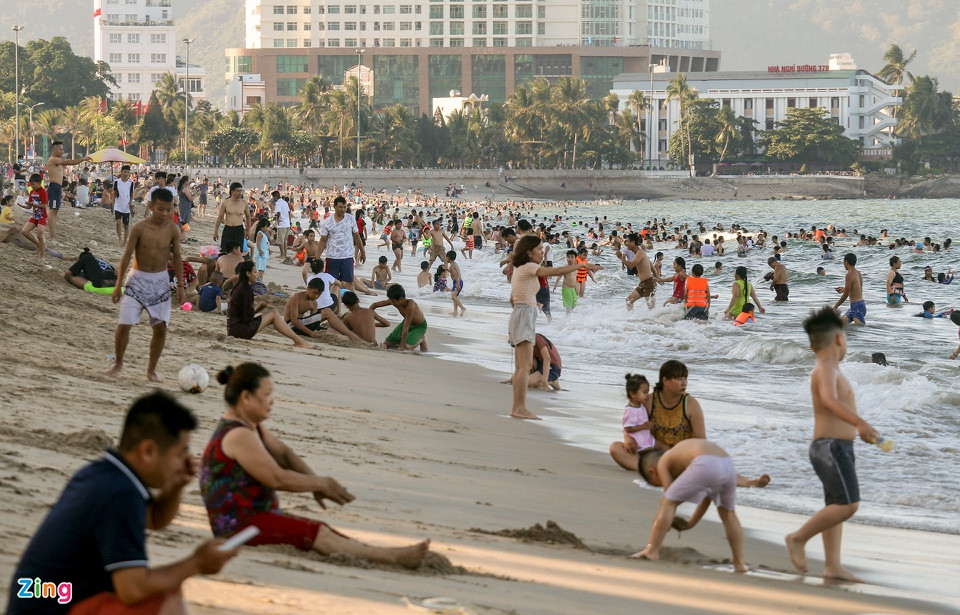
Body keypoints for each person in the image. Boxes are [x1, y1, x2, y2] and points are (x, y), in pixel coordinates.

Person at [6, 392, 238, 615]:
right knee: (165, 607)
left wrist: (174, 486)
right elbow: (132, 590)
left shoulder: (105, 473)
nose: (185, 461)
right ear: (147, 451)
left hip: (44, 597)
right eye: (180, 454)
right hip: (52, 607)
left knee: (167, 585)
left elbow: (154, 519)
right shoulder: (120, 493)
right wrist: (197, 562)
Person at [199, 363, 430, 568]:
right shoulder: (238, 435)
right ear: (246, 397)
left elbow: (285, 455)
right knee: (317, 533)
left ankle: (382, 553)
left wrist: (315, 484)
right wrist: (320, 483)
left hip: (255, 518)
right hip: (239, 530)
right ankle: (393, 558)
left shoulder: (249, 425)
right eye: (267, 394)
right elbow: (276, 478)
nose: (272, 401)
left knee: (320, 528)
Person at [785, 307, 880, 581]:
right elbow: (829, 400)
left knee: (835, 505)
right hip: (831, 447)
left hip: (836, 447)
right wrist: (860, 423)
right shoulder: (825, 368)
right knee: (849, 505)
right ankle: (798, 538)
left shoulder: (831, 368)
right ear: (840, 339)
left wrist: (857, 428)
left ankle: (832, 565)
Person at [508, 235, 601, 420]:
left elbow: (512, 298)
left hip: (519, 314)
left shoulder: (520, 269)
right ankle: (519, 408)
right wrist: (581, 265)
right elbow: (556, 271)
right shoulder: (530, 267)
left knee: (521, 366)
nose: (543, 252)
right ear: (529, 252)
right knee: (524, 367)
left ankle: (517, 407)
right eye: (539, 249)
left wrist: (523, 311)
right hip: (524, 314)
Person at [632, 440, 748, 573]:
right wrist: (690, 523)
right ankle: (739, 563)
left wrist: (659, 520)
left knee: (667, 502)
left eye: (656, 484)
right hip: (728, 464)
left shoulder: (663, 461)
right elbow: (708, 497)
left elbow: (669, 499)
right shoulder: (684, 457)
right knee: (728, 514)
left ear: (653, 472)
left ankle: (651, 551)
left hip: (706, 462)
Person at [107, 190, 184, 382]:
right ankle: (118, 362)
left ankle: (151, 370)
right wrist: (118, 285)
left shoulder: (173, 230)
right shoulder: (139, 228)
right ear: (150, 206)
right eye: (160, 209)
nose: (165, 214)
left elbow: (178, 258)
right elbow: (126, 256)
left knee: (160, 328)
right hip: (136, 280)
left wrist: (181, 286)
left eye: (169, 209)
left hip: (160, 282)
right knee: (124, 325)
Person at [228, 260, 309, 348]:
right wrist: (259, 308)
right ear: (248, 273)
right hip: (241, 331)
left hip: (232, 329)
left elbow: (243, 313)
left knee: (272, 315)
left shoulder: (238, 286)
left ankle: (299, 340)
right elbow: (247, 318)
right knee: (274, 314)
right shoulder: (247, 289)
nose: (257, 275)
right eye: (255, 272)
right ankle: (299, 341)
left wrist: (259, 308)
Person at [283, 277, 365, 343]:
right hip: (291, 325)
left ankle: (358, 340)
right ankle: (355, 337)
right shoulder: (296, 297)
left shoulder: (314, 303)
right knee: (327, 312)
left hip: (302, 325)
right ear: (308, 288)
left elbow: (313, 322)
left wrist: (319, 330)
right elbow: (294, 321)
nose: (316, 296)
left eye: (319, 294)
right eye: (315, 293)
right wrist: (310, 333)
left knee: (332, 331)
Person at [44, 140, 91, 240]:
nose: (62, 151)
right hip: (54, 187)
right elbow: (69, 162)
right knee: (52, 211)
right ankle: (52, 236)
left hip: (57, 187)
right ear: (54, 149)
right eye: (60, 149)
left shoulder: (57, 160)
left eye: (63, 149)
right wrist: (83, 159)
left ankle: (53, 234)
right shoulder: (53, 160)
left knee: (55, 211)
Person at [318, 195, 365, 292]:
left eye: (344, 207)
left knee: (349, 282)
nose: (342, 210)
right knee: (331, 282)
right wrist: (317, 257)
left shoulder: (351, 219)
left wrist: (363, 252)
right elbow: (323, 240)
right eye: (340, 207)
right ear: (334, 207)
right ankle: (332, 302)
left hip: (347, 256)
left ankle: (353, 304)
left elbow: (357, 236)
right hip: (332, 257)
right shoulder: (327, 222)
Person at [609, 373, 654, 470]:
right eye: (644, 392)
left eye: (647, 392)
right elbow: (628, 428)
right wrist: (644, 426)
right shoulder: (630, 410)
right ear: (633, 393)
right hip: (639, 444)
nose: (647, 395)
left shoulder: (640, 406)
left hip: (647, 441)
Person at [371, 284, 428, 351]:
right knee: (386, 345)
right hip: (406, 322)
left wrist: (401, 346)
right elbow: (375, 305)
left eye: (393, 301)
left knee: (406, 348)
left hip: (419, 326)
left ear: (401, 299)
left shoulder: (410, 305)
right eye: (390, 300)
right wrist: (367, 317)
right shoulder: (393, 300)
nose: (391, 302)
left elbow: (406, 327)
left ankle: (422, 338)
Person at [617, 233, 655, 309]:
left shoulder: (639, 253)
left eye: (627, 241)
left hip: (648, 283)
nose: (626, 243)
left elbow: (631, 266)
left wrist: (621, 258)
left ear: (633, 243)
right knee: (629, 300)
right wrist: (657, 277)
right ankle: (632, 319)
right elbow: (650, 265)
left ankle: (661, 319)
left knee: (651, 308)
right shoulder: (639, 253)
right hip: (643, 284)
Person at [214, 182, 251, 254]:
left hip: (239, 230)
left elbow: (248, 217)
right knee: (224, 252)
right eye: (238, 191)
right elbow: (220, 218)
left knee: (238, 253)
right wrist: (216, 231)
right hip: (228, 229)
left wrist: (247, 230)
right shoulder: (226, 203)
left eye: (241, 191)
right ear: (232, 191)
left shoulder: (244, 203)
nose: (240, 193)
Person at [834, 253, 865, 325]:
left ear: (846, 262)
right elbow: (858, 289)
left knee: (863, 329)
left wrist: (836, 306)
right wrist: (844, 289)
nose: (843, 264)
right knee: (840, 324)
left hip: (856, 307)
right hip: (860, 305)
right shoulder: (858, 273)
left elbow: (846, 294)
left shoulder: (849, 274)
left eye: (843, 262)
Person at [112, 165, 136, 246]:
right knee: (118, 222)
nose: (126, 173)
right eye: (125, 172)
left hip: (126, 206)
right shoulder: (116, 182)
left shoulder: (131, 183)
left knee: (126, 225)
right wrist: (112, 201)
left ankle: (125, 242)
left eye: (128, 172)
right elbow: (115, 193)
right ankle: (119, 239)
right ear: (121, 172)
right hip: (118, 204)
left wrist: (131, 202)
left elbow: (132, 194)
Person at [446, 250, 466, 317]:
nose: (446, 259)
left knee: (453, 296)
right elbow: (453, 272)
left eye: (446, 257)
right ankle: (455, 311)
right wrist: (446, 269)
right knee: (455, 297)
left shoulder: (451, 266)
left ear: (448, 258)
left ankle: (462, 308)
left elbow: (454, 274)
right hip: (459, 281)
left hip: (457, 281)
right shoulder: (454, 264)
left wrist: (457, 284)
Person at [272, 190, 291, 261]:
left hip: (282, 224)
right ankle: (285, 254)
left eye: (273, 197)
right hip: (287, 223)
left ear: (275, 197)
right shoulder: (285, 202)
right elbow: (289, 211)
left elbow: (278, 212)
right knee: (285, 241)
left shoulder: (278, 203)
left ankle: (282, 254)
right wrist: (288, 219)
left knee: (280, 240)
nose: (273, 199)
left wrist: (277, 219)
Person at [253, 217, 270, 281]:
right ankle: (259, 281)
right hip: (261, 254)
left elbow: (264, 244)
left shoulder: (263, 234)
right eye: (267, 227)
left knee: (262, 269)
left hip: (264, 254)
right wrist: (260, 250)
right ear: (262, 227)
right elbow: (258, 243)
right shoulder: (260, 233)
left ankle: (259, 280)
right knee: (261, 269)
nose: (268, 228)